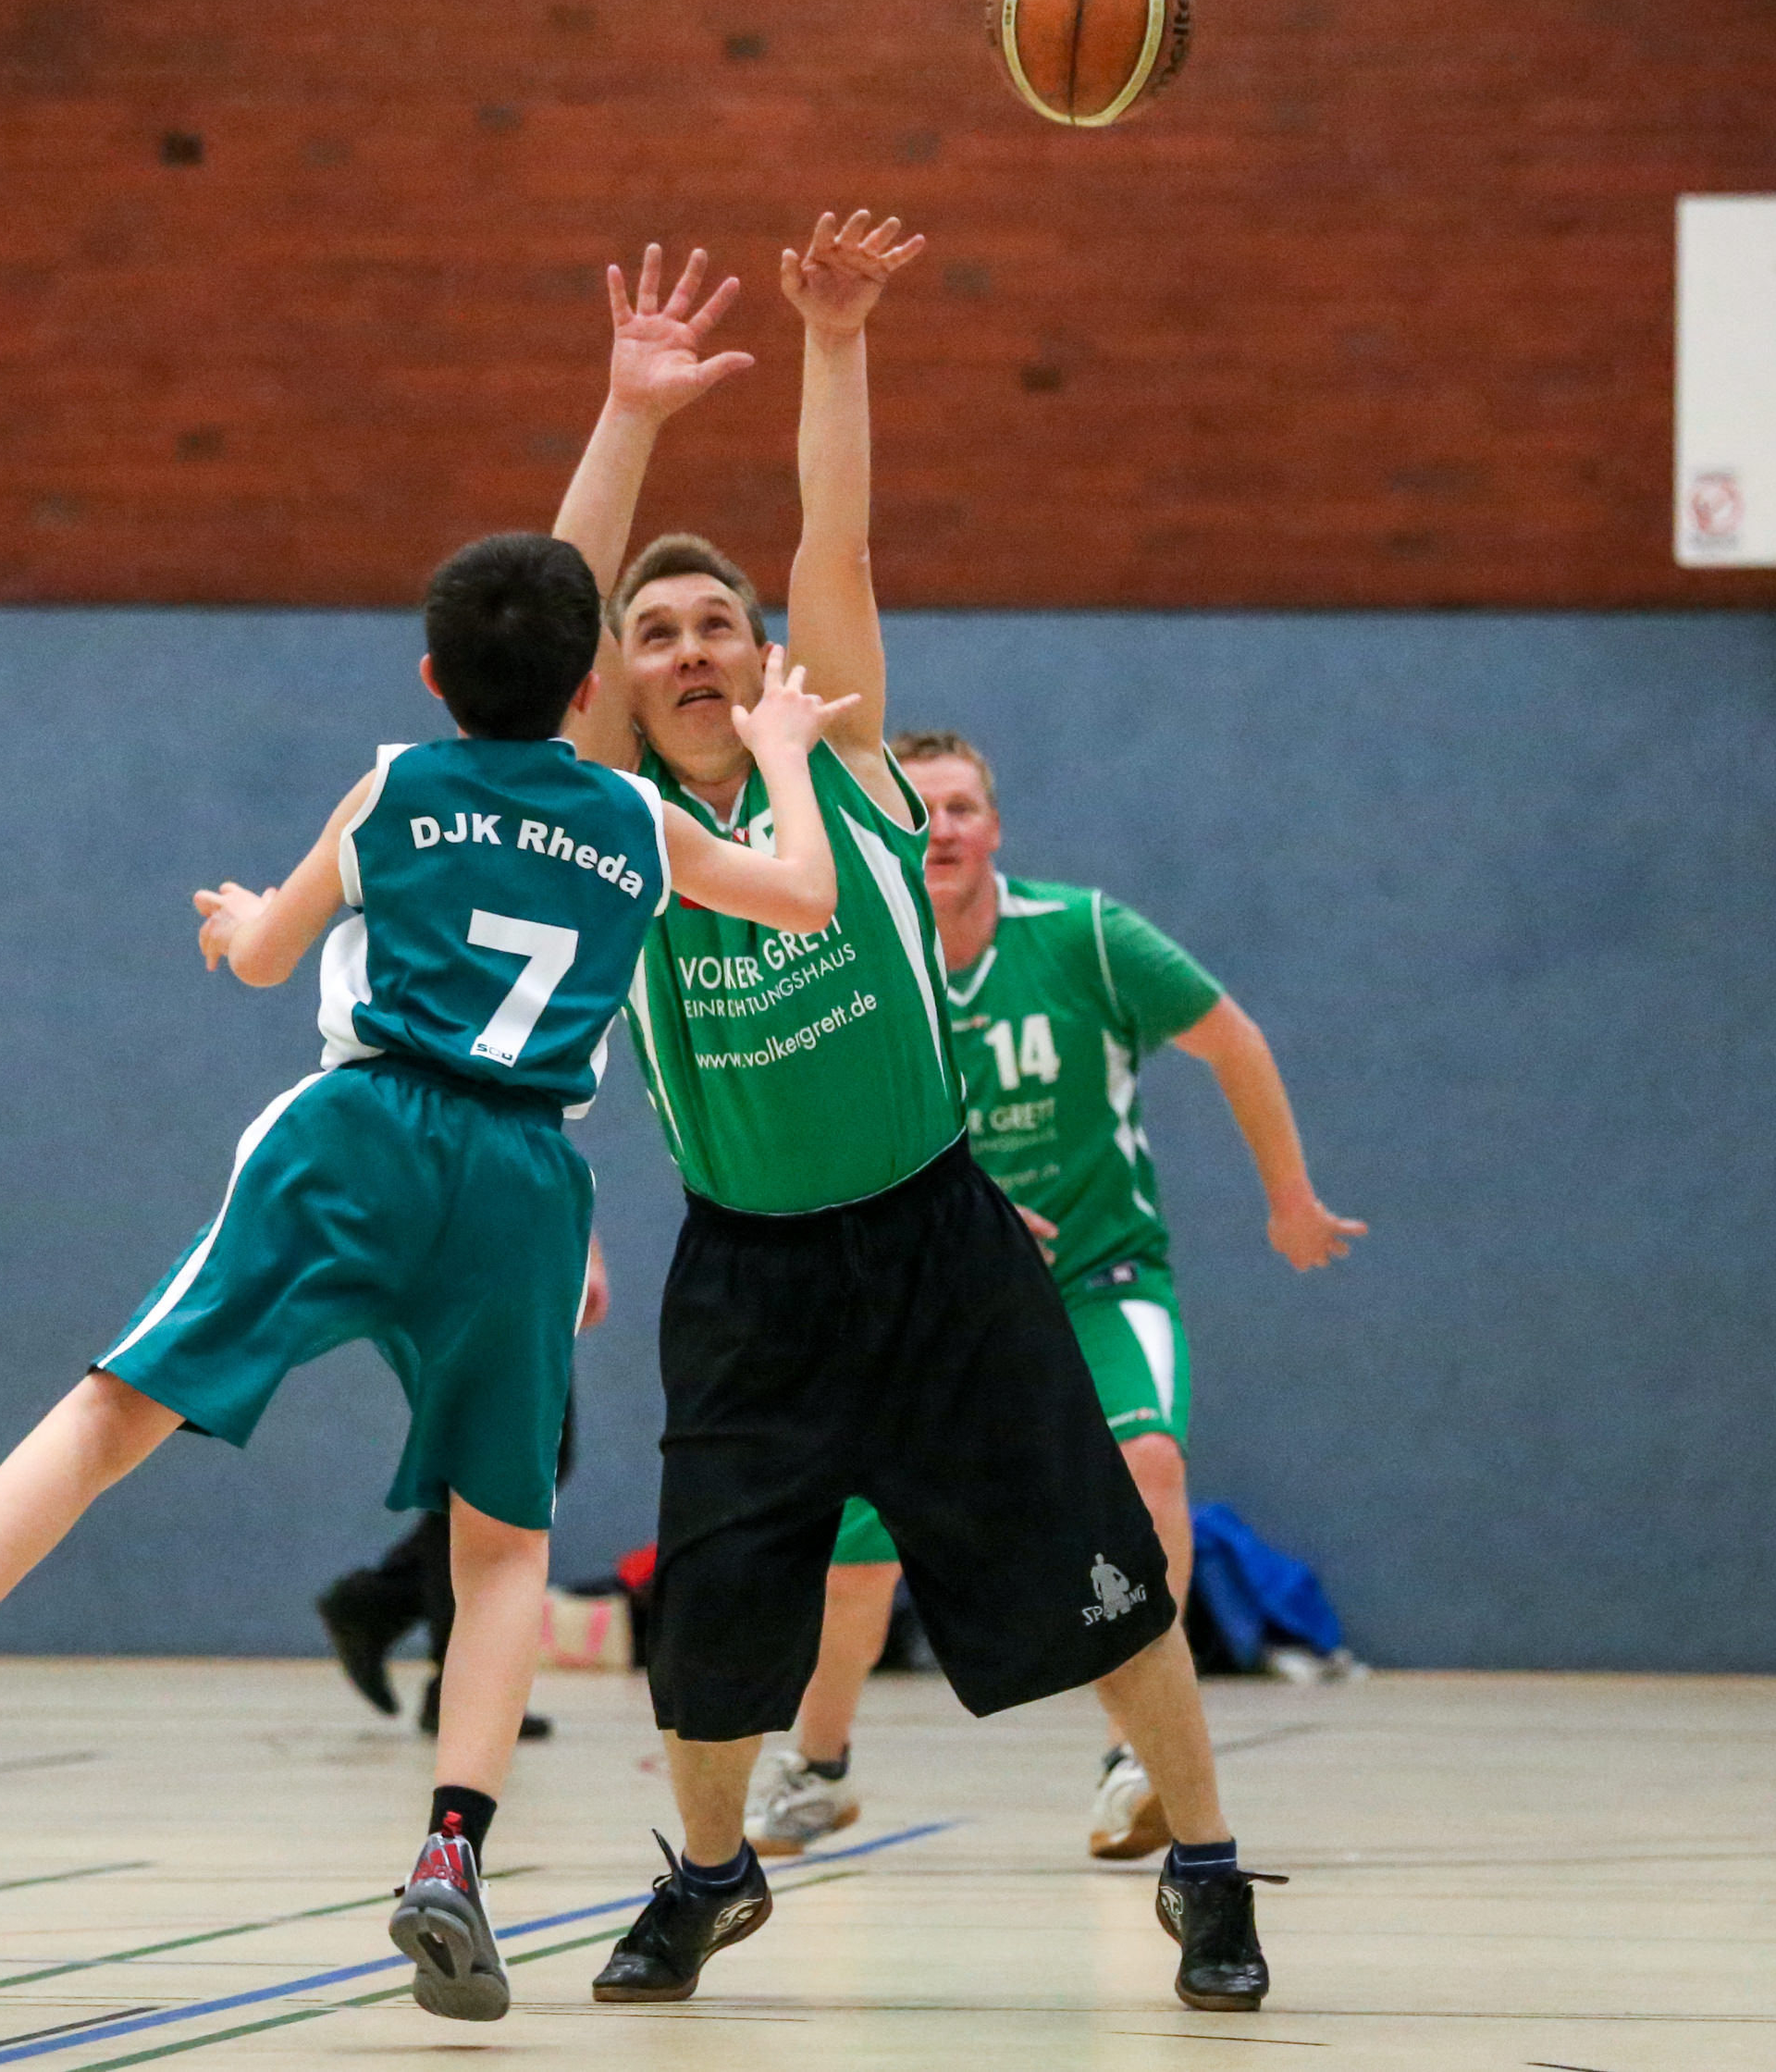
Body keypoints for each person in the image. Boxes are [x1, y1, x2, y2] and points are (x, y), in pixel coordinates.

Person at [0, 506, 863, 2026]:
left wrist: (242, 923)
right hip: (524, 1178)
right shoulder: (637, 823)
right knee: (501, 1544)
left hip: (358, 1131)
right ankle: (451, 1850)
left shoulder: (397, 786)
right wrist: (782, 751)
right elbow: (808, 895)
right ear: (591, 683)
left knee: (114, 1408)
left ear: (431, 677)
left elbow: (269, 958)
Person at [546, 210, 1278, 2015]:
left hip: (937, 1241)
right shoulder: (618, 827)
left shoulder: (849, 765)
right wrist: (627, 414)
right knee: (713, 1611)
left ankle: (1202, 1860)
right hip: (748, 1273)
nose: (694, 644)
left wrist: (835, 338)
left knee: (1102, 1571)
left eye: (719, 622)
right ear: (619, 677)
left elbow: (837, 540)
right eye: (657, 630)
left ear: (764, 658)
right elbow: (557, 604)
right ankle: (708, 1872)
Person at [745, 728, 1363, 1864]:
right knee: (857, 1554)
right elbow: (812, 1126)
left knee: (1148, 1464)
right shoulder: (851, 956)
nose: (943, 827)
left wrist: (1290, 1198)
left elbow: (1232, 1038)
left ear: (994, 826)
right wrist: (960, 1212)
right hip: (932, 1298)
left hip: (1096, 1275)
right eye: (922, 806)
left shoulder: (1085, 934)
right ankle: (816, 1767)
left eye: (964, 806)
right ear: (890, 825)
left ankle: (1137, 1758)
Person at [314, 1249, 603, 1741]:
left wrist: (582, 1248)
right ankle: (459, 1682)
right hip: (494, 1258)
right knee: (497, 1473)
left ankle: (382, 1607)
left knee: (512, 1467)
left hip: (514, 1259)